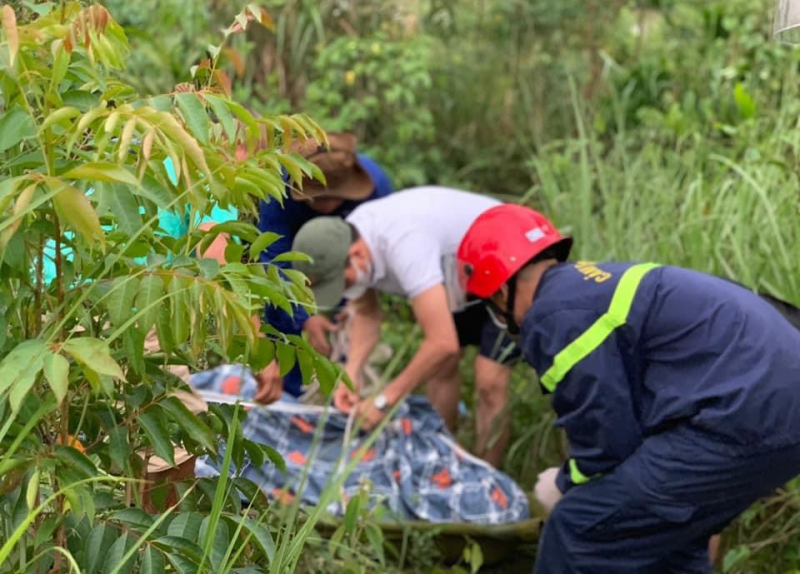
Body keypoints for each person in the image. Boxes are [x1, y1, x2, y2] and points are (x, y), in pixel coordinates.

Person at [456, 203, 800, 573]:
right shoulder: (590, 287)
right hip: (772, 410)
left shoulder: (553, 313)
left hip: (741, 414)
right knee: (670, 541)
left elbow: (606, 435)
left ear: (502, 291)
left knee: (575, 527)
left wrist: (565, 483)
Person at [290, 187, 519, 466]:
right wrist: (351, 374)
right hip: (456, 272)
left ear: (357, 254)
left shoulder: (404, 243)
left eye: (342, 281)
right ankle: (443, 461)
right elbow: (367, 314)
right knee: (442, 368)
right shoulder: (351, 238)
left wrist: (384, 401)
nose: (343, 289)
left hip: (506, 259)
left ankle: (488, 479)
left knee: (490, 379)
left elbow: (441, 342)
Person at [254, 132, 392, 403]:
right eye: (317, 199)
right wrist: (305, 317)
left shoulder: (375, 187)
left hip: (346, 256)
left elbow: (380, 255)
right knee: (283, 316)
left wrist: (357, 304)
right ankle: (288, 393)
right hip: (295, 248)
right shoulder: (278, 189)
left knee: (346, 319)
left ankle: (345, 389)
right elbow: (275, 262)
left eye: (332, 198)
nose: (325, 206)